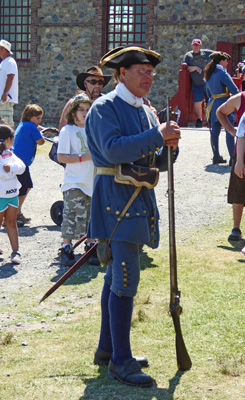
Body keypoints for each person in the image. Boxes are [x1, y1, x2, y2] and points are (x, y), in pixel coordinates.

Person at [85, 46, 181, 387]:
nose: (148, 77)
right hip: (114, 201)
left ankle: (108, 350)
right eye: (141, 70)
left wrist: (170, 144)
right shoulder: (104, 107)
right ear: (121, 74)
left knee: (115, 277)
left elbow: (153, 159)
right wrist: (158, 134)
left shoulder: (146, 111)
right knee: (125, 280)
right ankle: (121, 362)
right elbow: (113, 149)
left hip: (138, 199)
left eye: (151, 72)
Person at [57, 92, 99, 266]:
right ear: (73, 112)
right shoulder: (68, 130)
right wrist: (83, 156)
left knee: (91, 215)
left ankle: (90, 246)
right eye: (81, 109)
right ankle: (66, 248)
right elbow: (62, 157)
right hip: (74, 181)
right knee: (71, 214)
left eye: (88, 110)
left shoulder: (93, 129)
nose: (84, 113)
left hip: (92, 180)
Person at [216, 92, 245, 242]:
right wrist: (231, 130)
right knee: (238, 191)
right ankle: (236, 228)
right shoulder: (240, 98)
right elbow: (220, 111)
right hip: (241, 154)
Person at [11, 104, 46, 226]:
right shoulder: (31, 127)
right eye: (38, 118)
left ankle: (17, 212)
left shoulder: (24, 124)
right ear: (30, 117)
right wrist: (43, 135)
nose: (39, 121)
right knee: (22, 188)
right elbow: (41, 142)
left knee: (27, 186)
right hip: (21, 163)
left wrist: (43, 128)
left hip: (17, 161)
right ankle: (14, 214)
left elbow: (36, 128)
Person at [204, 51, 239, 165]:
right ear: (221, 61)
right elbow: (234, 90)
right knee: (229, 131)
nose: (228, 63)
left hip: (213, 104)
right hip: (225, 104)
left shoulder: (208, 74)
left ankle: (216, 156)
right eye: (226, 61)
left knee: (215, 131)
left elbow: (208, 93)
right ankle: (232, 158)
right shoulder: (223, 74)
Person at [0, 124, 25, 264]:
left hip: (12, 194)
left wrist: (11, 168)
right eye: (12, 138)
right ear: (7, 139)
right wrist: (7, 172)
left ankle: (15, 252)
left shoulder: (10, 153)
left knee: (11, 223)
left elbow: (22, 167)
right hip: (0, 196)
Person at [59, 66, 111, 130]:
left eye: (100, 82)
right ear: (85, 83)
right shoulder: (73, 104)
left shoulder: (108, 104)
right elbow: (63, 129)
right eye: (93, 82)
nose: (97, 85)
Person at [182, 38, 213, 127]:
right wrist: (195, 68)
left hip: (208, 82)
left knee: (210, 101)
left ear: (200, 46)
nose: (196, 47)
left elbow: (217, 54)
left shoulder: (206, 53)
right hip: (197, 83)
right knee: (198, 101)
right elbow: (185, 67)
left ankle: (209, 120)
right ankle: (199, 120)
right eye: (194, 45)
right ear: (192, 45)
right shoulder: (188, 55)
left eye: (197, 45)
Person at [0, 39, 18, 126]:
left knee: (6, 124)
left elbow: (10, 77)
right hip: (3, 99)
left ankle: (11, 140)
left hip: (6, 99)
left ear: (4, 49)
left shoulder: (10, 61)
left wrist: (5, 93)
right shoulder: (4, 62)